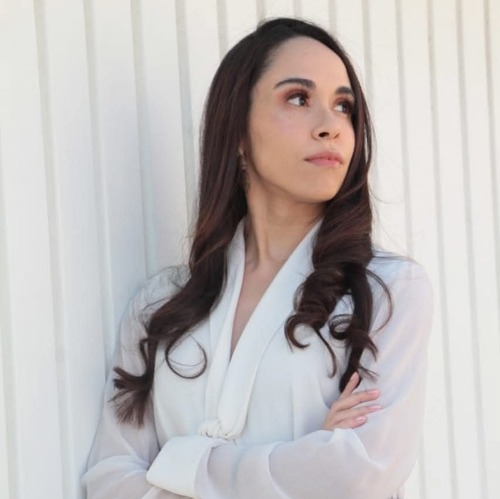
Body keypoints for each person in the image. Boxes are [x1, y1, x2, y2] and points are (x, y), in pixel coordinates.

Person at [82, 17, 433, 499]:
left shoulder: (388, 291)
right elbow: (108, 479)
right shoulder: (159, 306)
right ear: (238, 132)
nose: (331, 126)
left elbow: (357, 473)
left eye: (343, 106)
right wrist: (302, 458)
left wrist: (177, 463)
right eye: (298, 98)